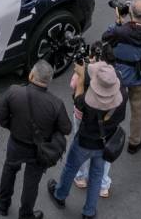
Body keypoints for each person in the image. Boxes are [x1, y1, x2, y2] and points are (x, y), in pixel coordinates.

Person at [0, 63, 71, 218]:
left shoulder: (13, 92)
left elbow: (0, 117)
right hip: (40, 150)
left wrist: (13, 127)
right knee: (31, 183)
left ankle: (3, 205)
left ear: (31, 75)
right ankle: (26, 214)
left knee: (9, 171)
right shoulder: (56, 104)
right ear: (48, 81)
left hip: (16, 143)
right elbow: (66, 129)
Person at [46, 61, 121, 217]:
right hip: (105, 143)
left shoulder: (88, 101)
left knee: (70, 168)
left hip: (84, 142)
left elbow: (77, 100)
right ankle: (89, 211)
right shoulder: (122, 97)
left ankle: (60, 195)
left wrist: (81, 76)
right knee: (96, 175)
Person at [102, 0, 141, 153]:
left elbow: (105, 37)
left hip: (119, 75)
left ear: (131, 13)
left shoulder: (120, 31)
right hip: (139, 76)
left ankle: (106, 136)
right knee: (138, 109)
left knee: (111, 106)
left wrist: (118, 22)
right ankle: (135, 141)